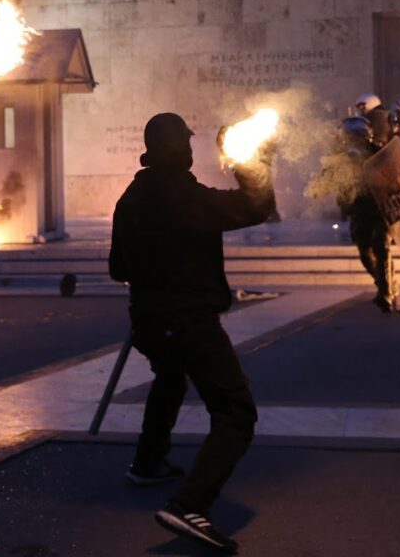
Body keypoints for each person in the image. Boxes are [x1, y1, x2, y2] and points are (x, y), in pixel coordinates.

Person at [110, 112, 276, 554]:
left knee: (168, 379)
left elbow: (117, 269)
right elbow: (256, 207)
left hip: (148, 320)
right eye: (186, 143)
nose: (190, 150)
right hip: (188, 322)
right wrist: (250, 162)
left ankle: (147, 462)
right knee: (236, 413)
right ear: (177, 149)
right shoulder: (185, 195)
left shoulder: (130, 197)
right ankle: (190, 505)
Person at [336, 115, 398, 313]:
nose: (353, 141)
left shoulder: (379, 153)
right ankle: (385, 284)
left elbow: (396, 176)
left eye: (357, 137)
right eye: (350, 137)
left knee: (380, 244)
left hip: (381, 210)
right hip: (360, 211)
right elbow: (339, 185)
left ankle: (386, 293)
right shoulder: (342, 159)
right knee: (365, 253)